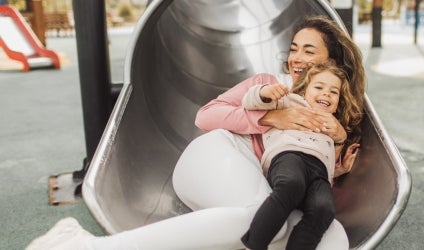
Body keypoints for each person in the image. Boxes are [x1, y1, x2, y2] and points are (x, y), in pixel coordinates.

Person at [27, 15, 366, 250]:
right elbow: (206, 116)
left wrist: (334, 167)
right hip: (219, 154)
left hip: (263, 179)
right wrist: (270, 119)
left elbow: (308, 165)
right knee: (267, 221)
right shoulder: (269, 85)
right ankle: (88, 246)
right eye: (294, 48)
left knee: (333, 236)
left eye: (309, 51)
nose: (296, 58)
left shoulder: (332, 108)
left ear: (331, 61)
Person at [240, 62, 363, 250]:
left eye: (333, 92)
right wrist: (265, 92)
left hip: (319, 173)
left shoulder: (334, 125)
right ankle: (254, 245)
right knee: (292, 185)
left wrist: (340, 167)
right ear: (304, 91)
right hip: (289, 156)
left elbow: (327, 161)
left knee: (324, 209)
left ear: (338, 101)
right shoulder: (291, 102)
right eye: (319, 87)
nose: (326, 93)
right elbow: (250, 101)